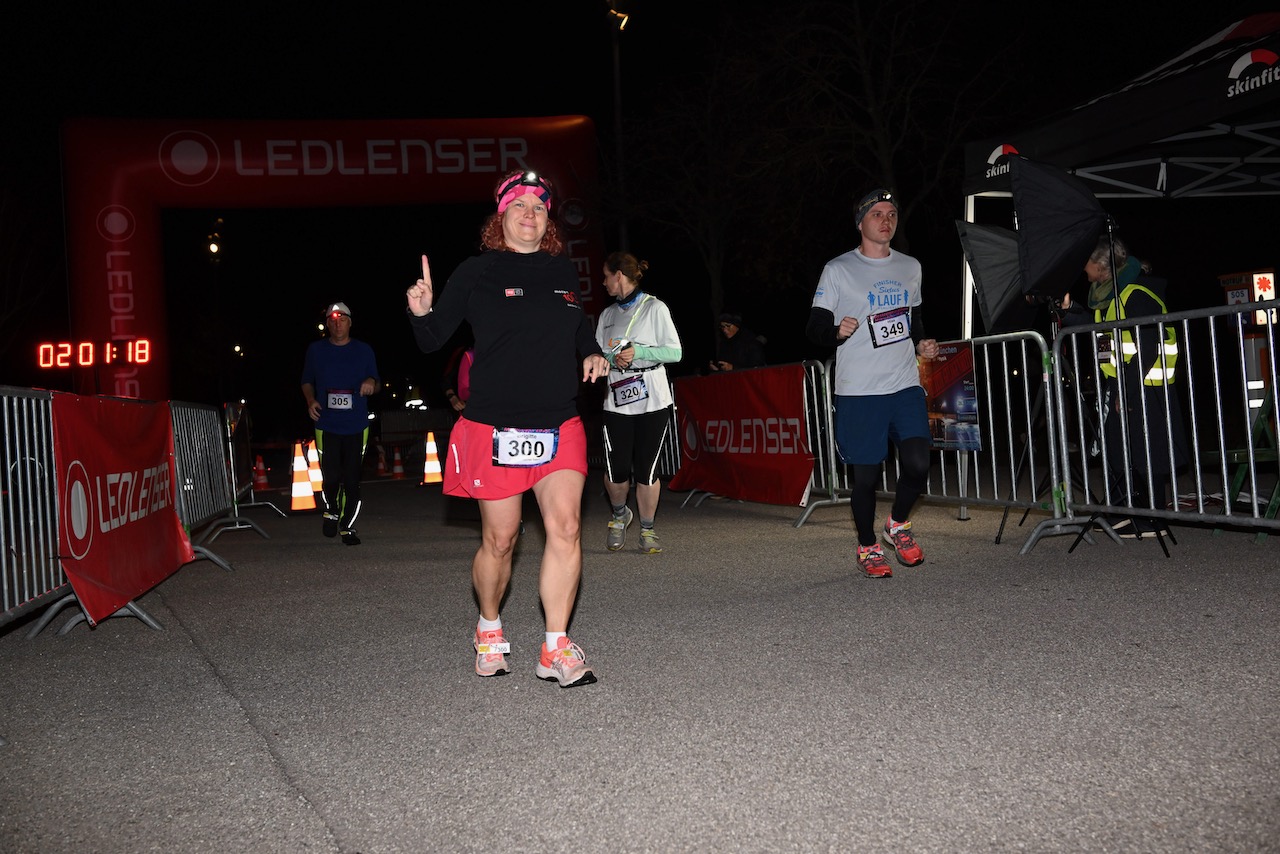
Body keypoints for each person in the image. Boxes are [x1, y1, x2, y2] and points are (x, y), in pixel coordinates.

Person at [405, 169, 610, 688]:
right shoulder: (477, 271)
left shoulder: (563, 273)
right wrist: (422, 312)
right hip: (494, 427)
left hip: (559, 421)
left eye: (539, 208)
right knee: (501, 540)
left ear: (548, 222)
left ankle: (554, 648)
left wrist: (590, 350)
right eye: (518, 205)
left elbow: (578, 324)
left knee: (565, 528)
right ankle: (489, 628)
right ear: (501, 218)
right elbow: (432, 341)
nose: (529, 214)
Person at [805, 188, 939, 578]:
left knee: (917, 463)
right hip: (860, 389)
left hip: (904, 384)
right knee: (865, 478)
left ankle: (897, 523)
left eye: (892, 213)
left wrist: (922, 341)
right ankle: (867, 545)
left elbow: (913, 318)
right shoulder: (838, 269)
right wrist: (835, 331)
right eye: (877, 213)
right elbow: (813, 327)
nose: (886, 220)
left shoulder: (910, 266)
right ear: (861, 222)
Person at [1060, 236, 1187, 536]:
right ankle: (1122, 511)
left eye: (1087, 264)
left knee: (1147, 451)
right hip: (1119, 382)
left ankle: (1153, 519)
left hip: (1146, 385)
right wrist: (1069, 310)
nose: (1083, 270)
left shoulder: (1136, 294)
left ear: (1102, 267)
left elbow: (1147, 346)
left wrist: (1126, 391)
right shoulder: (1109, 296)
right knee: (1117, 447)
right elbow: (1095, 323)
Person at [596, 251, 683, 554]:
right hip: (616, 400)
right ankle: (620, 515)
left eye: (606, 275)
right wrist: (613, 357)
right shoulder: (607, 315)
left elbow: (675, 353)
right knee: (617, 469)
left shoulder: (655, 308)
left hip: (653, 398)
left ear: (618, 275)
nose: (603, 282)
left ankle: (647, 529)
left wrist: (641, 352)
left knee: (646, 469)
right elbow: (599, 355)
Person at [300, 301, 381, 546]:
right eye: (333, 320)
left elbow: (376, 383)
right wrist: (311, 399)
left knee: (352, 479)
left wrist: (370, 382)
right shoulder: (315, 350)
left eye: (342, 319)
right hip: (326, 423)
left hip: (357, 424)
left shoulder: (364, 350)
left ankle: (347, 527)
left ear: (350, 322)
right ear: (327, 324)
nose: (337, 324)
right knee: (331, 475)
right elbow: (306, 381)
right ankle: (332, 508)